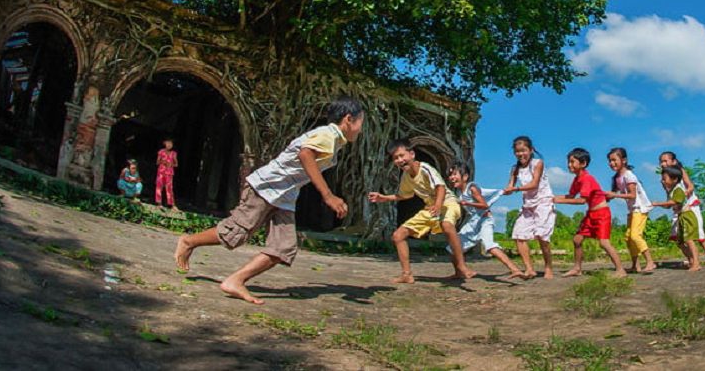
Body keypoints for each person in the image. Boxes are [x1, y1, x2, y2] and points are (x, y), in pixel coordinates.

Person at [173, 96, 364, 305]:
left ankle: (236, 280)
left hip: (286, 195)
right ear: (348, 119)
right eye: (360, 123)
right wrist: (328, 195)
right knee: (236, 232)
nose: (360, 129)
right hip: (267, 187)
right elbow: (306, 154)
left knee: (284, 247)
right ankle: (188, 241)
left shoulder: (334, 140)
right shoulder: (328, 134)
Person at [368, 138, 475, 283]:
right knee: (398, 236)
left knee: (447, 225)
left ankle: (461, 266)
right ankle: (406, 274)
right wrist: (384, 197)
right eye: (395, 158)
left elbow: (440, 187)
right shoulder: (406, 176)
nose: (399, 160)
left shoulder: (425, 168)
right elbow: (405, 195)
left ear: (412, 154)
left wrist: (438, 205)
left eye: (401, 155)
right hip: (430, 208)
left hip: (448, 203)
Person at [553, 148, 627, 278]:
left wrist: (558, 201)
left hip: (602, 214)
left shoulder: (587, 179)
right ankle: (577, 268)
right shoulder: (577, 180)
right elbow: (570, 195)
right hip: (590, 215)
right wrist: (552, 198)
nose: (569, 165)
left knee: (604, 242)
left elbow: (582, 200)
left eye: (572, 162)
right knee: (577, 239)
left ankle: (621, 270)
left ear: (583, 163)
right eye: (568, 162)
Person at [447, 161, 525, 279]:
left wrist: (467, 203)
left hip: (485, 220)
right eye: (450, 175)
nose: (452, 177)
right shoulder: (459, 191)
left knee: (489, 245)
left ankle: (515, 270)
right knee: (453, 246)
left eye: (455, 174)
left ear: (465, 177)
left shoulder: (472, 188)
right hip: (474, 222)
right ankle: (459, 272)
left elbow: (484, 205)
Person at [504, 136, 555, 280]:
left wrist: (516, 188)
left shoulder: (538, 163)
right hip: (528, 205)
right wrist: (505, 190)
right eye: (517, 152)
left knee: (542, 237)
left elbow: (534, 184)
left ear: (531, 150)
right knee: (519, 235)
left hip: (543, 202)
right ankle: (529, 269)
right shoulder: (515, 169)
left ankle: (548, 267)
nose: (520, 154)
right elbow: (510, 185)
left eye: (523, 151)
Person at [604, 148, 656, 273]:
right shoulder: (617, 178)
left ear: (624, 160)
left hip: (640, 208)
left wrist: (614, 195)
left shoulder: (629, 175)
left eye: (614, 160)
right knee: (628, 238)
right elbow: (613, 194)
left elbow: (632, 195)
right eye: (609, 161)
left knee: (635, 235)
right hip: (632, 210)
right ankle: (635, 265)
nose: (611, 163)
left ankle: (650, 262)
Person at [659, 152, 705, 264]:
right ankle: (691, 258)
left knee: (697, 229)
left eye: (665, 161)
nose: (662, 163)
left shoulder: (680, 171)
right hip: (678, 209)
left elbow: (690, 185)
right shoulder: (664, 177)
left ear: (674, 161)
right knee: (677, 234)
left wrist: (685, 194)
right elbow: (669, 194)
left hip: (690, 205)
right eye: (661, 161)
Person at [652, 165, 701, 272]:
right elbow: (668, 205)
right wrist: (657, 204)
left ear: (674, 179)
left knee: (689, 240)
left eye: (664, 179)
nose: (662, 181)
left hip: (687, 216)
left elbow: (675, 202)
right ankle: (691, 260)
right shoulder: (673, 190)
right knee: (680, 242)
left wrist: (658, 203)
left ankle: (696, 263)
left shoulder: (678, 189)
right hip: (681, 217)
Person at [155, 137, 178, 211]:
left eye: (170, 143)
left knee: (169, 188)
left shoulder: (173, 153)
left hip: (169, 173)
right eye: (167, 143)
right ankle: (159, 203)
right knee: (159, 187)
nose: (169, 145)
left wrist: (171, 164)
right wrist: (163, 162)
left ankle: (171, 204)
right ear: (164, 143)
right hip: (161, 171)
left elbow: (176, 164)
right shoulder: (161, 151)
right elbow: (157, 162)